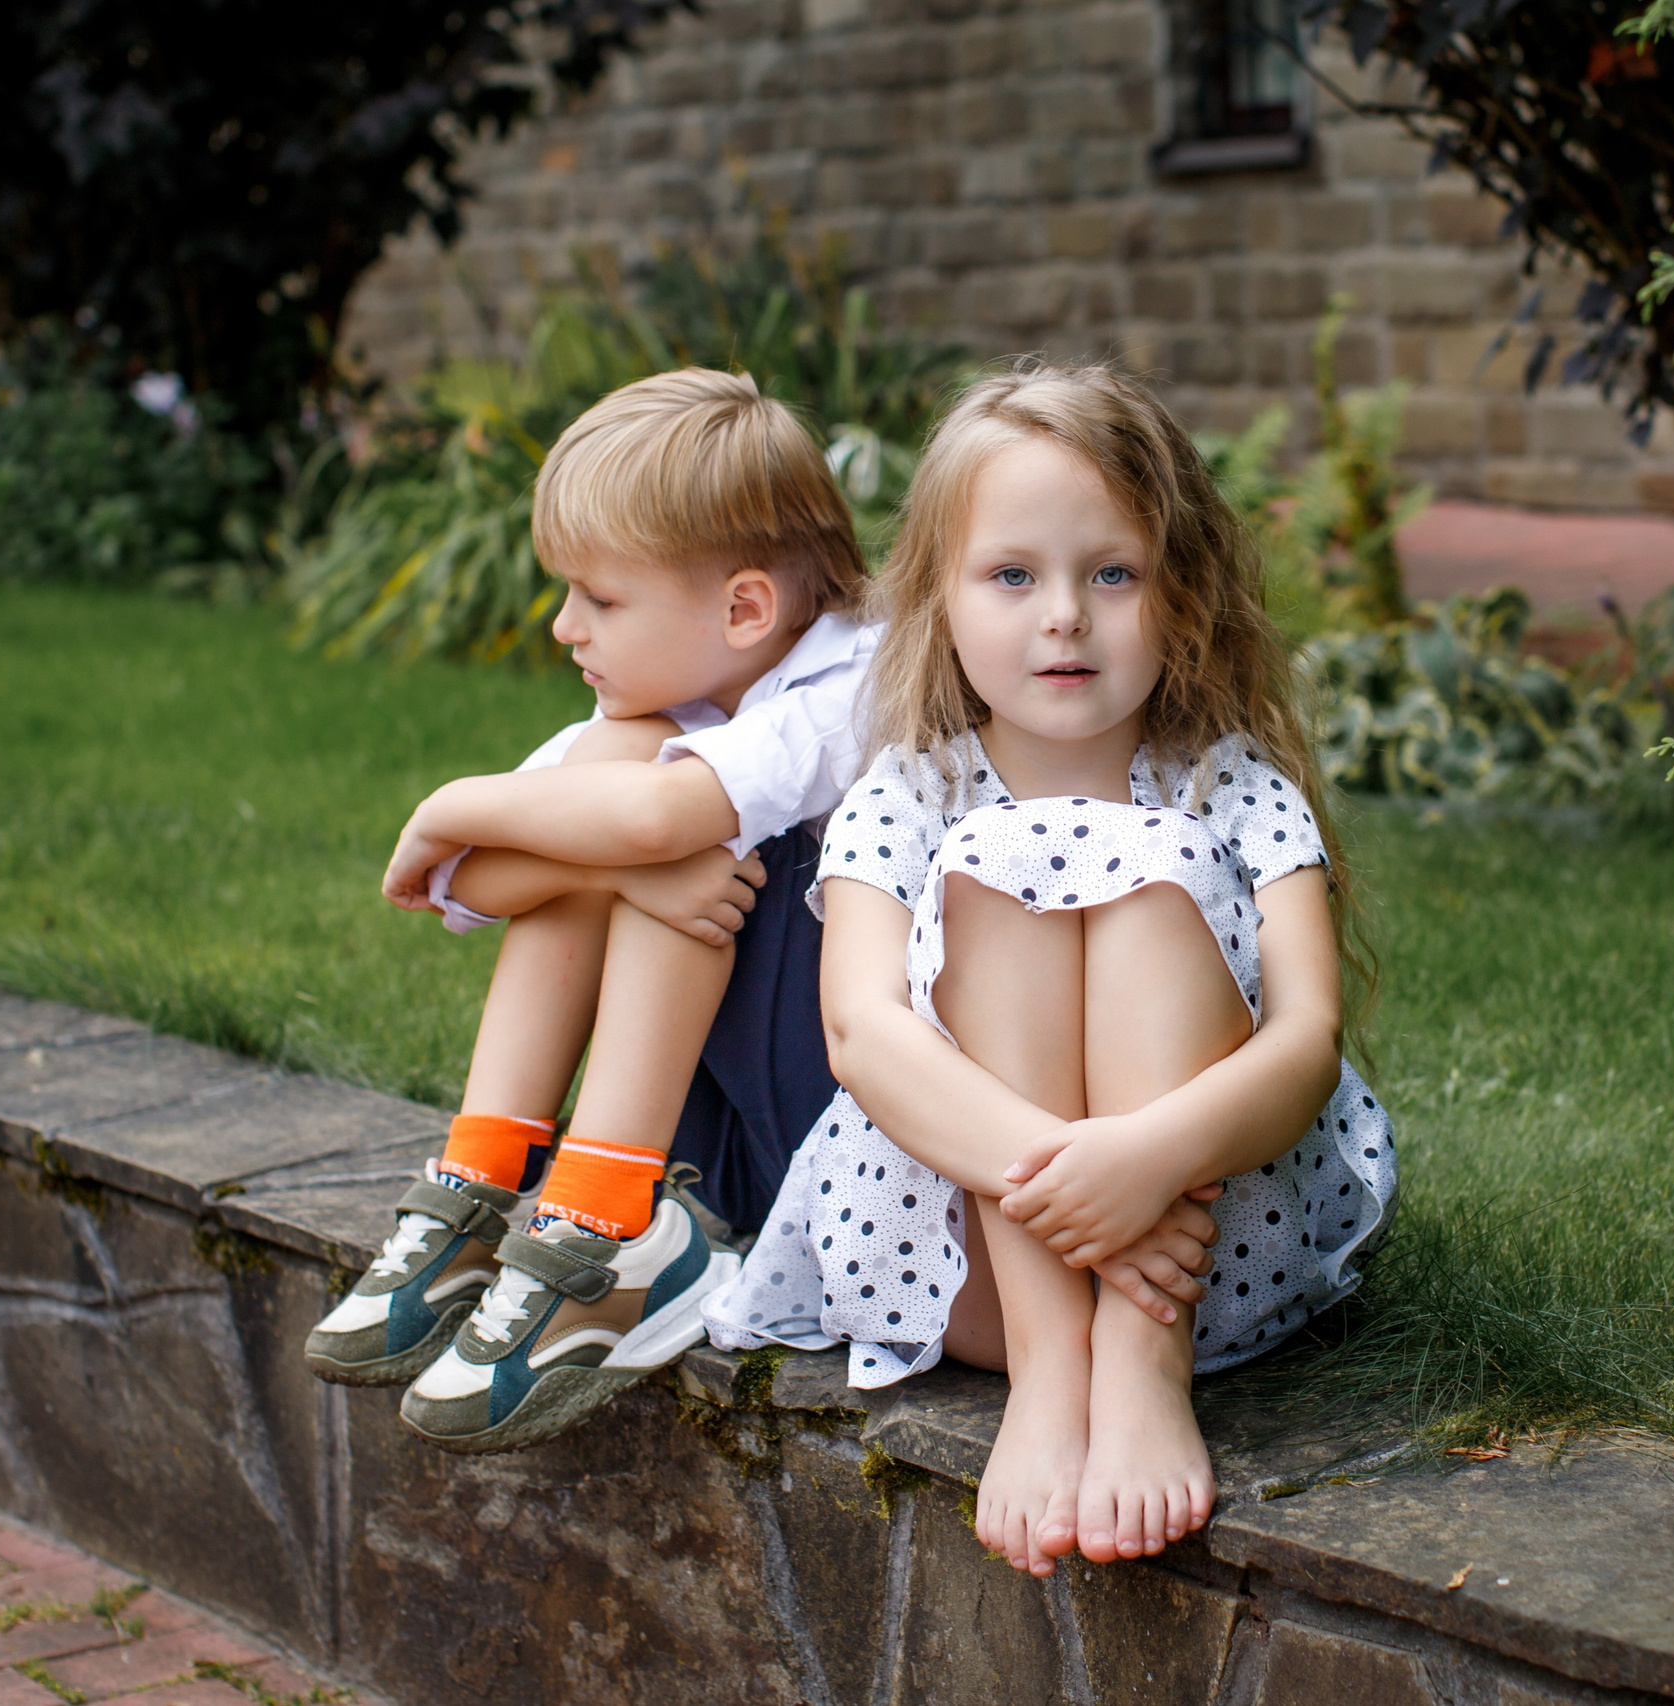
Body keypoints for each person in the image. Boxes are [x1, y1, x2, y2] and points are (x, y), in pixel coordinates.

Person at [704, 363, 1397, 1576]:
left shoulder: (1229, 784)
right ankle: (1051, 1369)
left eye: (1112, 572)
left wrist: (1146, 1159)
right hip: (963, 1266)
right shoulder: (911, 793)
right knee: (995, 863)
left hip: (1204, 1256)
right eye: (1013, 575)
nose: (1064, 613)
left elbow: (1304, 1041)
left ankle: (1137, 1364)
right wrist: (1069, 1178)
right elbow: (861, 1031)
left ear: (1184, 593)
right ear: (940, 600)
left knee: (1154, 869)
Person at [303, 368, 877, 1455]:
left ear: (745, 607)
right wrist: (619, 875)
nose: (566, 627)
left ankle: (602, 1226)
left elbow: (642, 823)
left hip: (853, 1143)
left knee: (653, 816)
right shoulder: (657, 715)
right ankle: (480, 1187)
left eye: (599, 600)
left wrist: (449, 802)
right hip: (717, 1150)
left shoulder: (856, 682)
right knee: (615, 808)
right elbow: (468, 884)